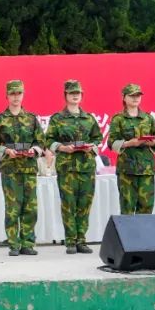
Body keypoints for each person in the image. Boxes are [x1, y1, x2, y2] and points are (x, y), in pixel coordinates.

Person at [0, 80, 45, 257]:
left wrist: (34, 150)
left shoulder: (31, 119)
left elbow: (41, 141)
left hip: (28, 168)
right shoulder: (0, 120)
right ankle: (13, 243)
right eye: (12, 94)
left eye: (19, 93)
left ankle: (27, 243)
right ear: (7, 96)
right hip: (10, 169)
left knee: (30, 208)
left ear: (23, 94)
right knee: (12, 208)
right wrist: (6, 150)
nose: (16, 97)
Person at [46, 80, 101, 254]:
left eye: (78, 93)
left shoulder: (89, 118)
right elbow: (48, 140)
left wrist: (91, 147)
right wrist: (62, 148)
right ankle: (70, 240)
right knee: (68, 204)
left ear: (82, 95)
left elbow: (98, 138)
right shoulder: (57, 118)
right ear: (66, 95)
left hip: (86, 166)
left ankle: (81, 240)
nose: (75, 96)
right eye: (72, 93)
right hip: (67, 167)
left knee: (84, 204)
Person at [108, 83, 155, 215]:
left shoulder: (148, 118)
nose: (135, 98)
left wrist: (152, 143)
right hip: (127, 169)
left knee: (146, 207)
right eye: (132, 95)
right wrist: (129, 143)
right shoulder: (118, 119)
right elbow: (111, 142)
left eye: (138, 95)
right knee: (127, 207)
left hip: (146, 169)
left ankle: (143, 230)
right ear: (124, 97)